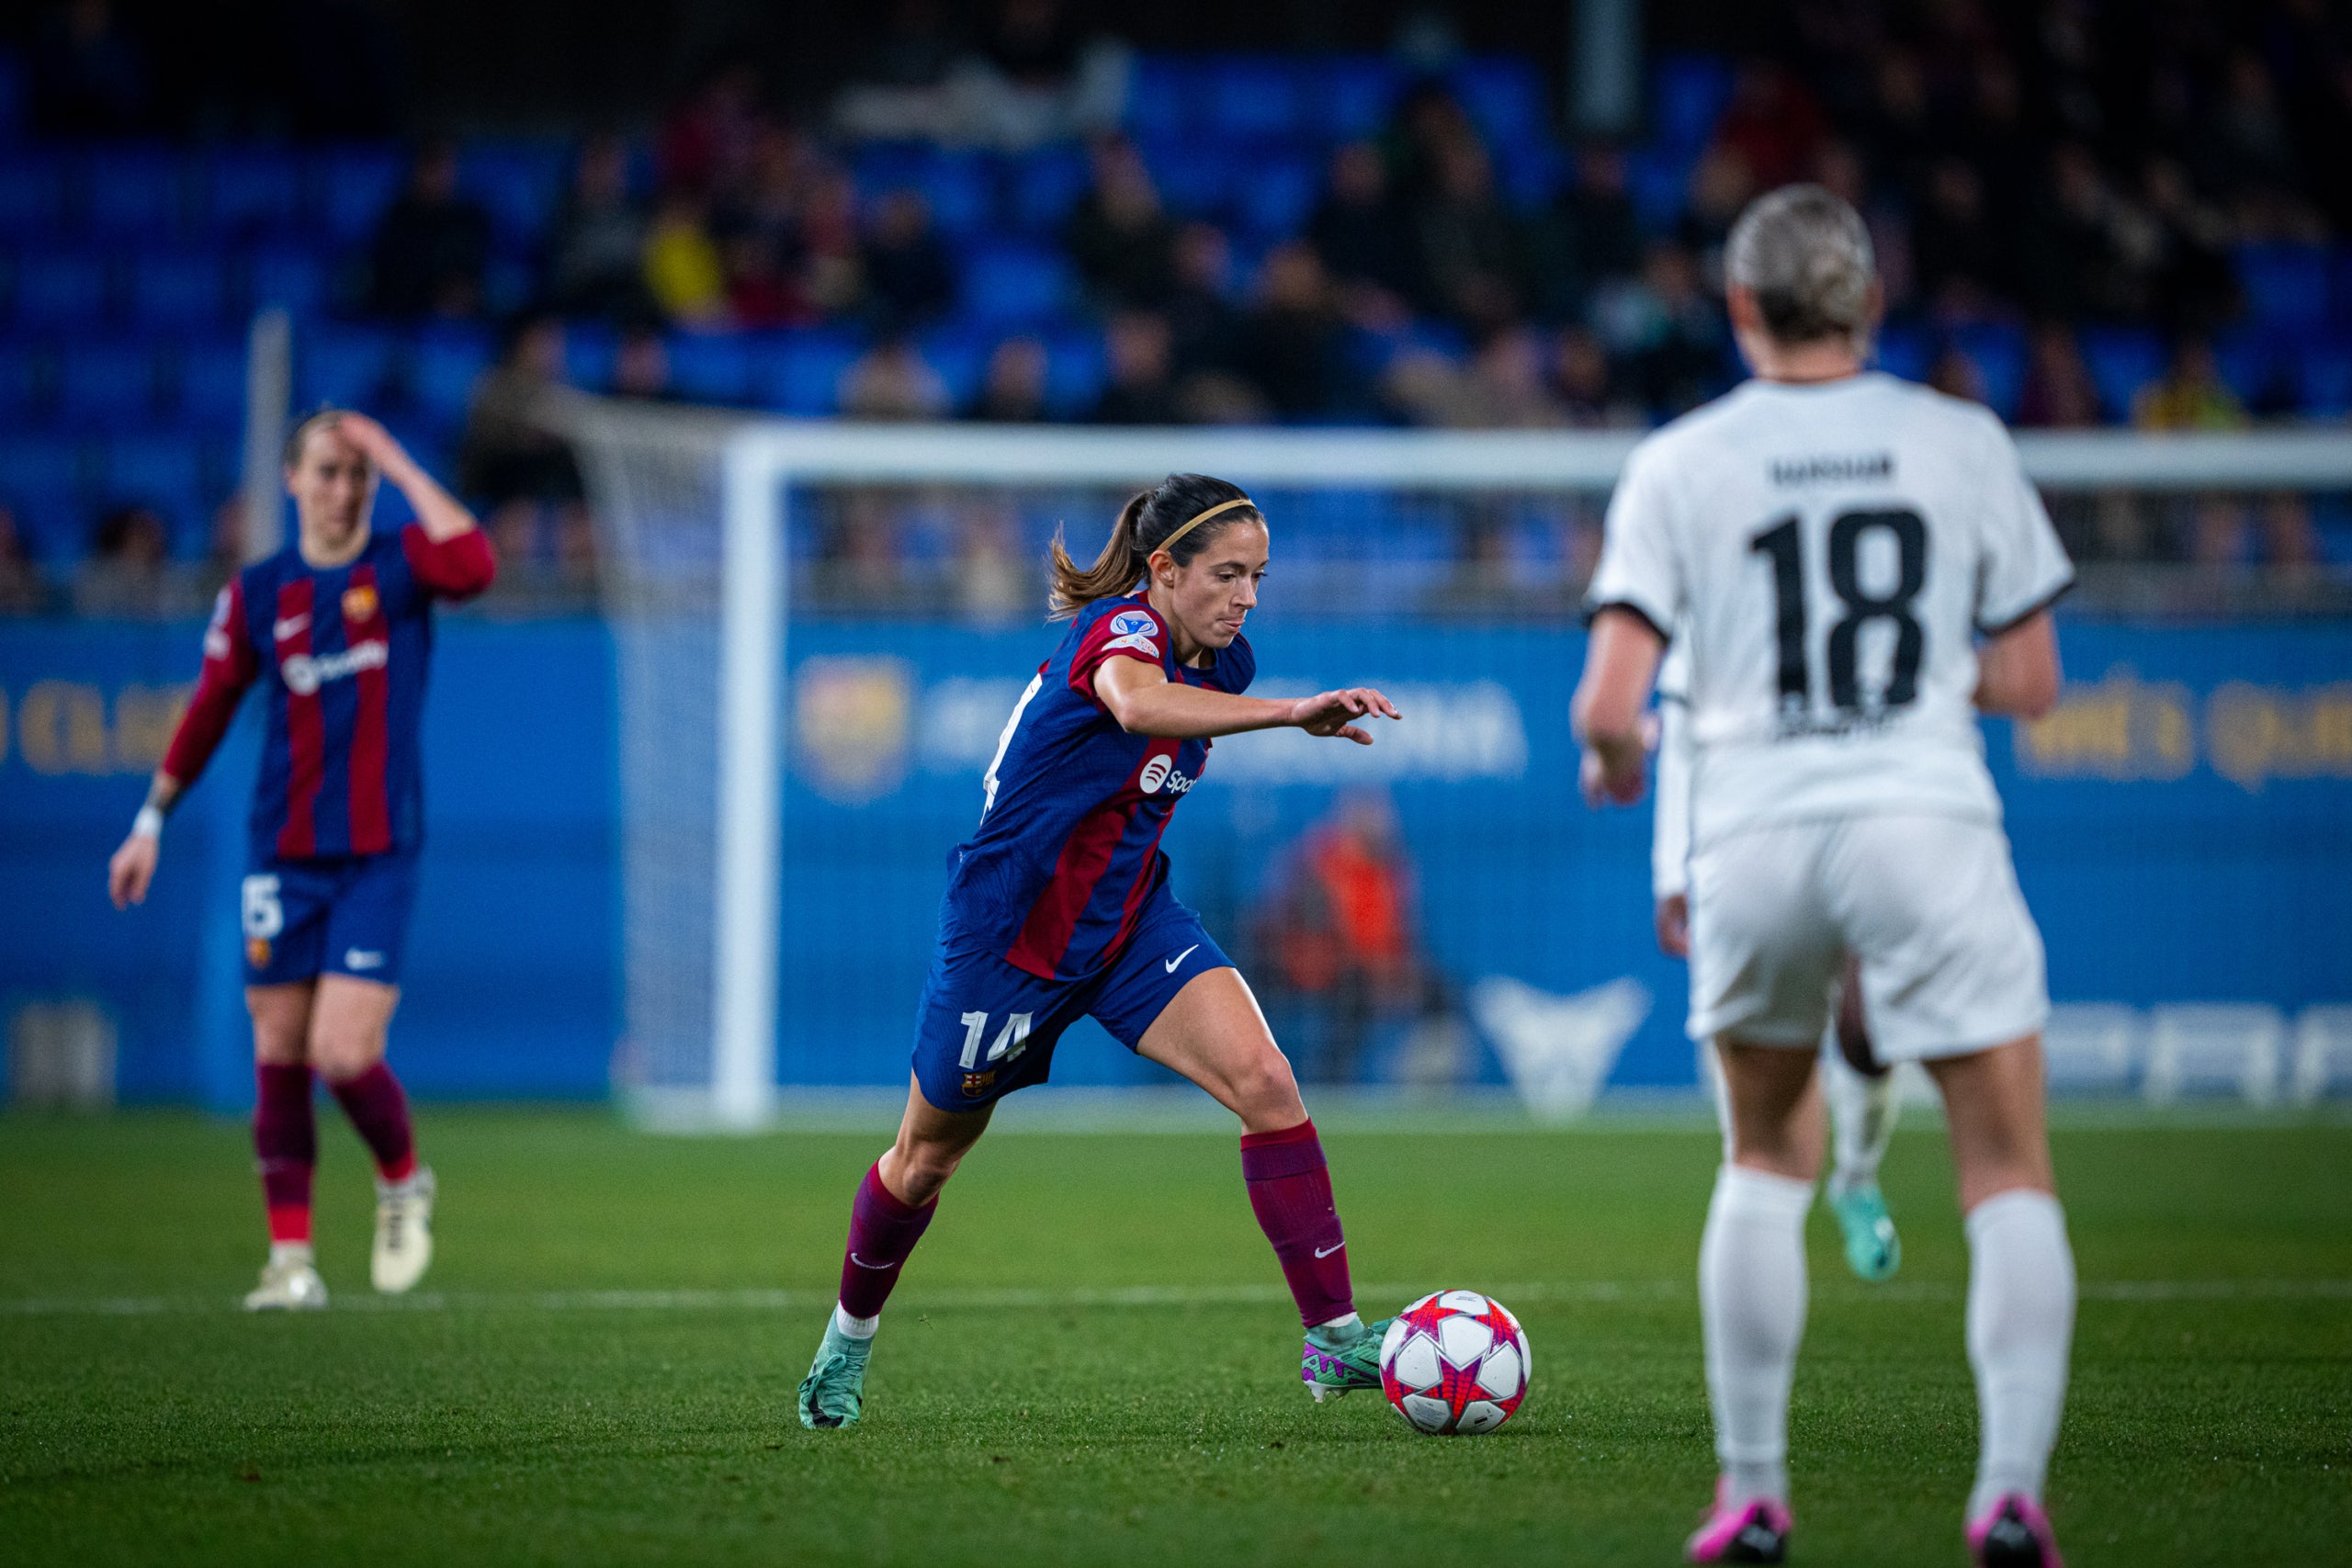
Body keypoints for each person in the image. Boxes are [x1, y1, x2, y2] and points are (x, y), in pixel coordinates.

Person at [1573, 186, 2075, 1566]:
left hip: (1754, 826)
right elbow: (2029, 677)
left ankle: (1750, 1491)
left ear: (1739, 307)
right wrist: (1906, 683)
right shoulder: (1957, 438)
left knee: (1764, 1156)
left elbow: (1611, 708)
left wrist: (1622, 767)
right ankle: (2013, 1490)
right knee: (2005, 1162)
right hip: (1922, 813)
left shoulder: (1682, 460)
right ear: (1869, 300)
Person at [795, 474, 1402, 1428]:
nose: (1246, 598)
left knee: (1268, 1084)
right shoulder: (1117, 634)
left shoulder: (1225, 660)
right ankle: (846, 1340)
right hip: (1010, 941)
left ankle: (1332, 1341)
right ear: (1163, 570)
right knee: (923, 1161)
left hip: (1127, 927)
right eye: (1227, 575)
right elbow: (1133, 704)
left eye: (1259, 575)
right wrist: (1295, 713)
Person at [107, 411, 496, 1312]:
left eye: (356, 474)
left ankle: (402, 1179)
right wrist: (150, 820)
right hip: (282, 852)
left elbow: (476, 564)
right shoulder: (256, 595)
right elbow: (208, 707)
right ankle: (290, 1263)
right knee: (279, 1051)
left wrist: (397, 453)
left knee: (344, 1051)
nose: (343, 489)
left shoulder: (401, 566)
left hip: (377, 854)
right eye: (327, 471)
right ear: (290, 481)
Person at [1652, 642, 1904, 1285]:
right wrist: (1669, 866)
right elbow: (1676, 722)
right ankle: (1757, 1195)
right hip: (1748, 842)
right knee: (1758, 1080)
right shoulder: (1713, 576)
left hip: (1859, 828)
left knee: (1867, 1028)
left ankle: (1855, 1176)